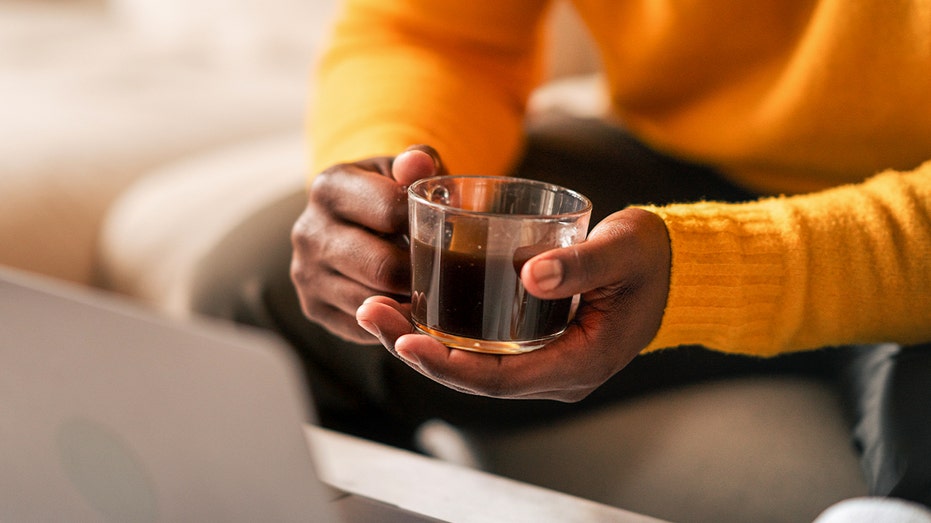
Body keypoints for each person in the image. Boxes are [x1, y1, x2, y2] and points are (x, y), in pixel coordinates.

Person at [282, 0, 931, 506]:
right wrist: (392, 183)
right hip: (676, 152)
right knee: (282, 305)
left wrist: (716, 268)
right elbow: (431, 31)